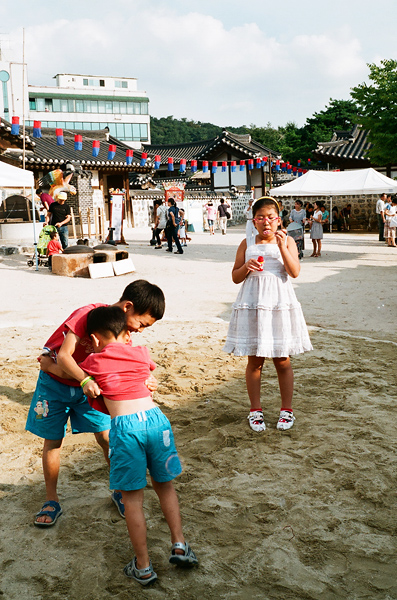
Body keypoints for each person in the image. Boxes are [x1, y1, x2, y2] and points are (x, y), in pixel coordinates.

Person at [25, 280, 163, 527]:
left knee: (107, 437)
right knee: (53, 440)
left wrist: (148, 379)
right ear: (128, 307)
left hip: (87, 387)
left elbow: (130, 367)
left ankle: (120, 491)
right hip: (56, 386)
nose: (140, 330)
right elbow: (66, 356)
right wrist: (82, 378)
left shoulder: (126, 338)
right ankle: (51, 499)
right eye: (142, 323)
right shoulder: (86, 315)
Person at [79, 305, 198, 586]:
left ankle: (143, 566)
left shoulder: (93, 362)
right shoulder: (140, 352)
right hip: (157, 421)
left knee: (132, 499)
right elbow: (147, 374)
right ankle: (179, 544)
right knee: (165, 485)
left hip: (126, 428)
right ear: (125, 332)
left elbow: (91, 392)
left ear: (95, 340)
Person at [223, 197, 312, 433]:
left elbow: (294, 272)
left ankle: (287, 409)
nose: (266, 223)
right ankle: (255, 410)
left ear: (278, 220)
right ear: (254, 221)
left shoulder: (288, 240)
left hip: (278, 303)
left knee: (282, 359)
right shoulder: (247, 243)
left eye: (271, 218)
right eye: (261, 218)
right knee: (255, 361)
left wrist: (282, 247)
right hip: (253, 303)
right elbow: (235, 276)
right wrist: (246, 267)